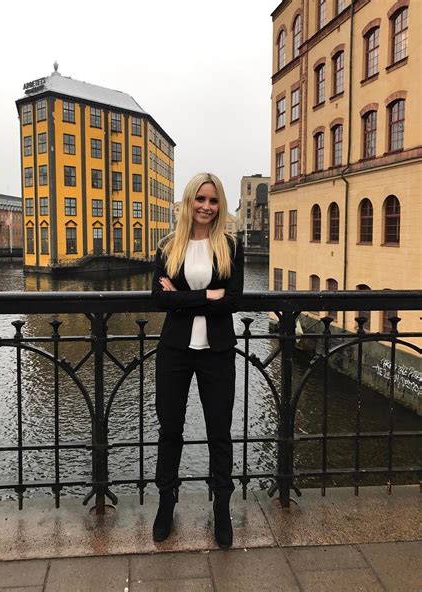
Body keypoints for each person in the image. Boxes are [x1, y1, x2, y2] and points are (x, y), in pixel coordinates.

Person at [151, 172, 244, 548]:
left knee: (219, 433)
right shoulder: (168, 246)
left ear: (219, 205)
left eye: (213, 200)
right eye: (200, 199)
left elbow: (234, 300)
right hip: (175, 351)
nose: (206, 206)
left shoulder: (231, 247)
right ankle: (165, 502)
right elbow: (159, 300)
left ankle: (221, 507)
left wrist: (184, 295)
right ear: (189, 202)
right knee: (170, 429)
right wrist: (208, 297)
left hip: (217, 352)